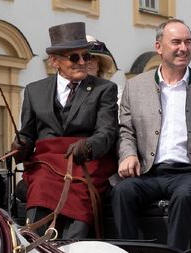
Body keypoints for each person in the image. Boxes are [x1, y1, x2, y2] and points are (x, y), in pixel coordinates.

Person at [111, 18, 191, 251]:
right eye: (176, 42)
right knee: (121, 192)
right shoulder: (135, 86)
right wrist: (127, 155)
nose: (184, 48)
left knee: (185, 197)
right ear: (159, 47)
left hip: (190, 171)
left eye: (188, 42)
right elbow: (126, 130)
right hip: (149, 171)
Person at [12, 21, 118, 240]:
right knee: (41, 184)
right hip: (46, 164)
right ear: (55, 62)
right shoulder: (34, 91)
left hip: (84, 164)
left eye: (86, 57)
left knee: (78, 191)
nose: (82, 63)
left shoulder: (104, 89)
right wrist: (19, 145)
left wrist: (88, 146)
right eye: (74, 57)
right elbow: (28, 134)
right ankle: (34, 245)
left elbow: (107, 132)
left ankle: (73, 250)